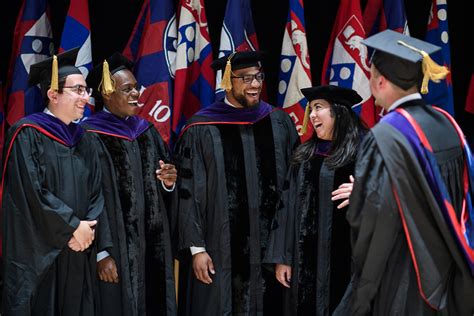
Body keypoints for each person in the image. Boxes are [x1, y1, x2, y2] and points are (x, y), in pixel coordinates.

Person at [347, 29, 474, 315]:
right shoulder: (449, 124)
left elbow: (373, 220)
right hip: (452, 277)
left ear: (380, 82)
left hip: (406, 277)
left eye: (370, 75)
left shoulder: (386, 136)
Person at [175, 51, 300, 315]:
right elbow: (188, 190)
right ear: (227, 82)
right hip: (218, 251)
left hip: (272, 254)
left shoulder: (278, 122)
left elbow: (295, 187)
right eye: (245, 78)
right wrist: (196, 249)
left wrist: (285, 251)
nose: (254, 84)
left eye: (258, 77)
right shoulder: (200, 128)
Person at [1, 48, 106, 315]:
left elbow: (97, 191)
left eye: (86, 91)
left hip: (79, 249)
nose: (86, 97)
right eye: (78, 90)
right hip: (40, 254)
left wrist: (86, 228)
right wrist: (72, 227)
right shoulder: (26, 134)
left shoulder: (87, 139)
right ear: (53, 94)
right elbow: (30, 194)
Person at [82, 52, 177, 315]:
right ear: (107, 94)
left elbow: (165, 186)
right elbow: (88, 199)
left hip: (153, 246)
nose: (136, 94)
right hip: (115, 249)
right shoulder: (89, 137)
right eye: (127, 89)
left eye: (136, 87)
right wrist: (102, 253)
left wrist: (169, 182)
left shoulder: (146, 131)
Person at [264, 85, 367, 315]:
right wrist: (283, 257)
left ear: (338, 112)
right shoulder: (305, 155)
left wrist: (366, 191)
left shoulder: (365, 151)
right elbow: (286, 206)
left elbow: (393, 197)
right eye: (310, 109)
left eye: (318, 108)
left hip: (351, 265)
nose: (311, 115)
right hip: (305, 265)